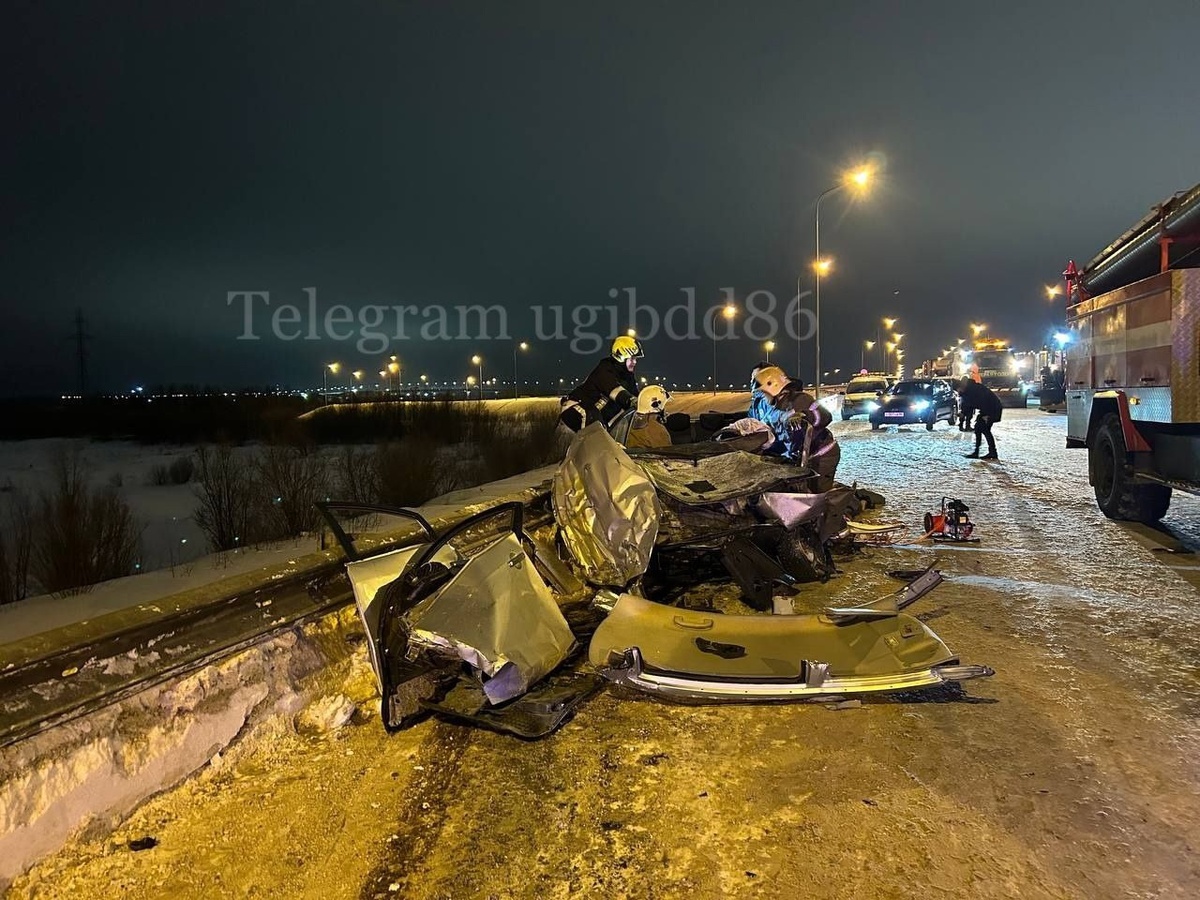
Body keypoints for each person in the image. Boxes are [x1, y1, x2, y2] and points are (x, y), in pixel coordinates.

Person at [750, 365, 841, 491]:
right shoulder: (773, 408)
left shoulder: (800, 399)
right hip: (799, 457)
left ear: (773, 387)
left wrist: (804, 416)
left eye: (764, 393)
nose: (763, 397)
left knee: (817, 498)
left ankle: (853, 504)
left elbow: (825, 416)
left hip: (821, 455)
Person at [559, 336, 641, 432]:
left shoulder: (627, 377)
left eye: (635, 359)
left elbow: (637, 397)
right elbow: (616, 392)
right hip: (576, 410)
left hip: (595, 417)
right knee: (595, 423)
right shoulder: (605, 370)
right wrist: (631, 400)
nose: (635, 362)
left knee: (603, 428)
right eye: (632, 359)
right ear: (621, 357)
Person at [954, 376, 1002, 459]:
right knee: (978, 428)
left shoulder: (973, 389)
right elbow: (969, 405)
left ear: (961, 387)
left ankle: (991, 452)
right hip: (987, 409)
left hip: (993, 409)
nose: (958, 392)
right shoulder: (967, 391)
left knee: (984, 429)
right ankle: (980, 452)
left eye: (957, 390)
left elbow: (984, 401)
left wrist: (986, 415)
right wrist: (963, 413)